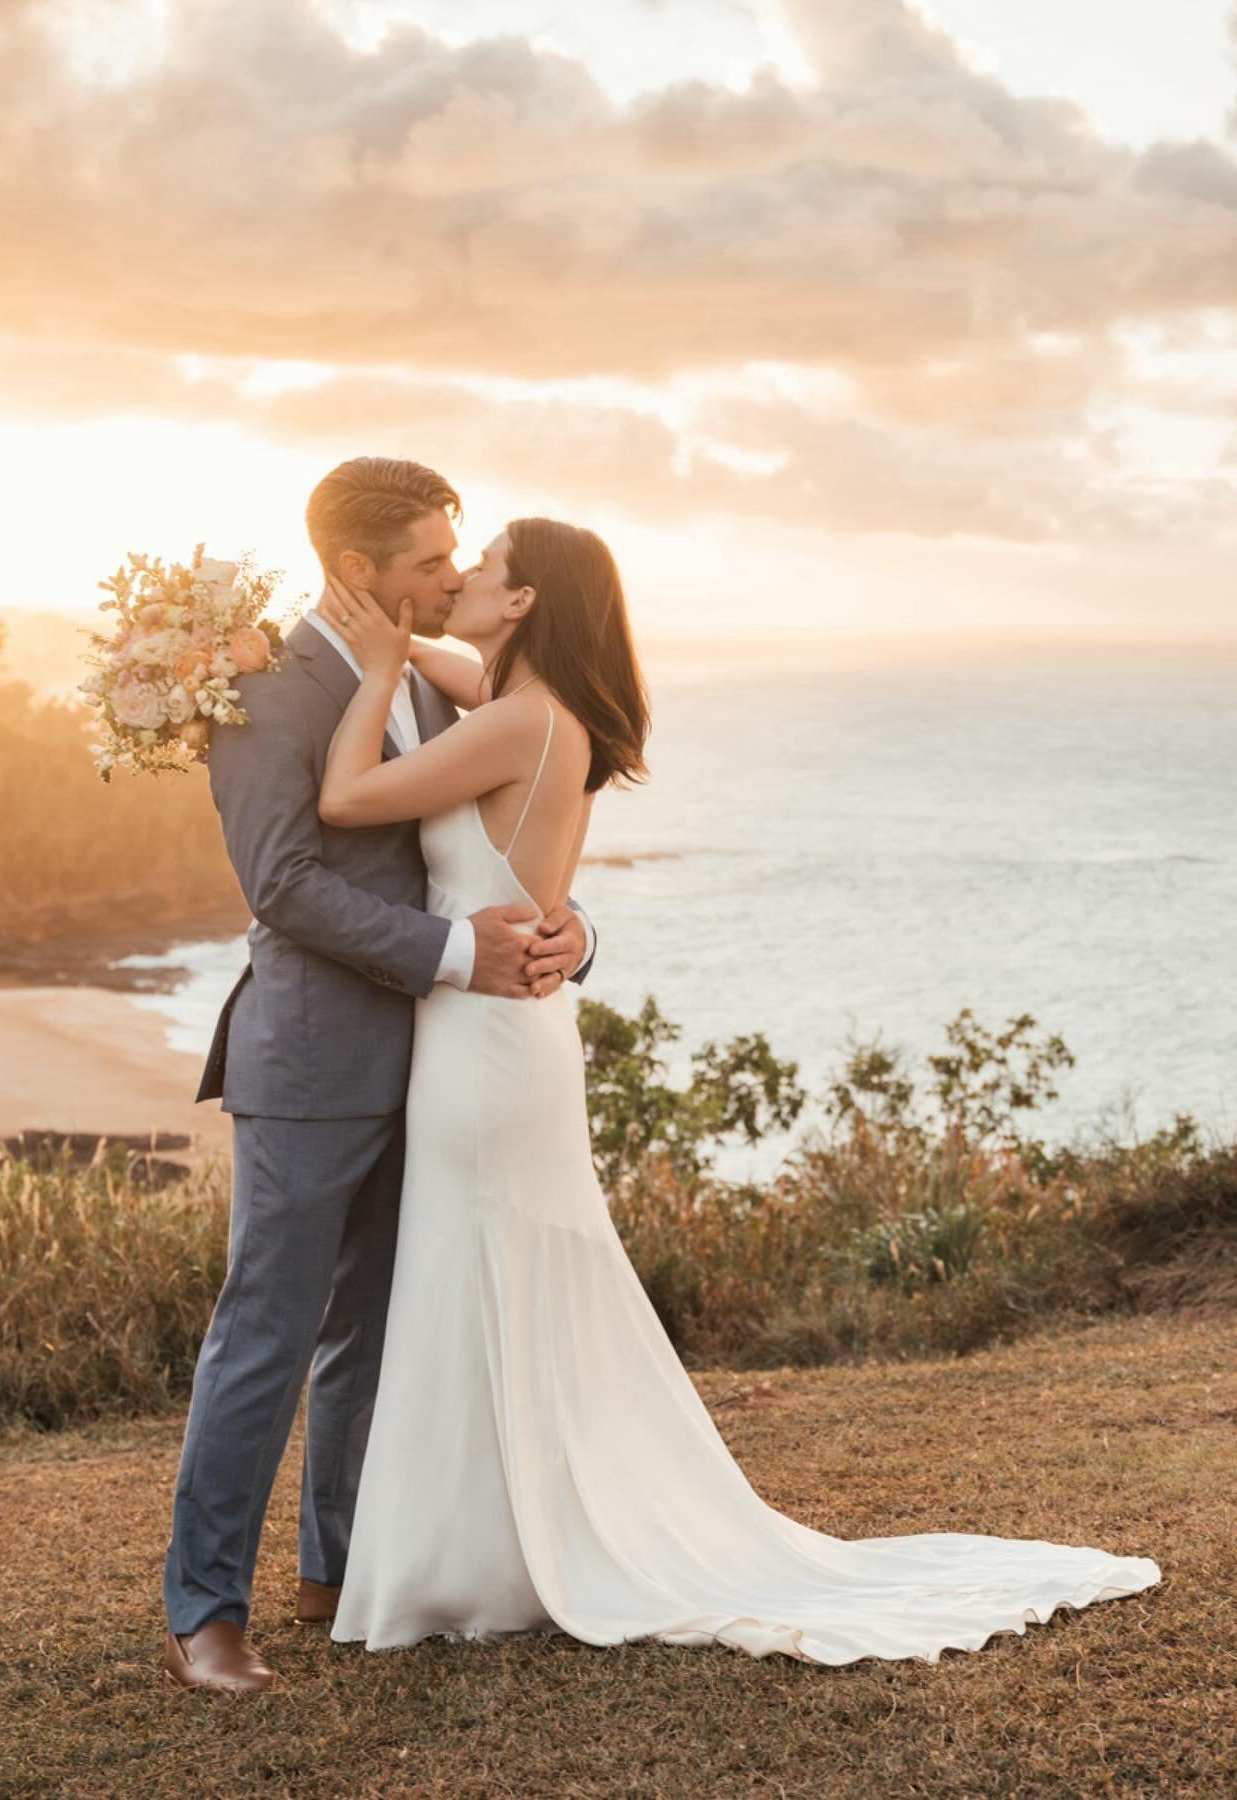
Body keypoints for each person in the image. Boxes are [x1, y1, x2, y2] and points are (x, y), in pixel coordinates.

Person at [312, 516, 1162, 1665]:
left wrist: (372, 668)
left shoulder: (517, 719)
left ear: (522, 603)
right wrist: (409, 645)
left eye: (484, 568)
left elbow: (346, 800)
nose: (459, 579)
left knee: (475, 1271)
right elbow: (459, 666)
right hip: (512, 1036)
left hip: (481, 1042)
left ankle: (473, 1559)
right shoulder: (538, 701)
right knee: (489, 1277)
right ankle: (491, 1547)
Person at [161, 460, 599, 1693]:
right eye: (426, 564)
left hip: (435, 1065)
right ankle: (206, 1613)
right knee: (267, 1331)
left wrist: (571, 933)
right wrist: (463, 955)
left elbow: (499, 832)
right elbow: (284, 886)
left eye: (458, 558)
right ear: (357, 573)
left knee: (369, 1331)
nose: (454, 577)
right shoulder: (261, 689)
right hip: (309, 1062)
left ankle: (337, 1567)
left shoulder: (430, 680)